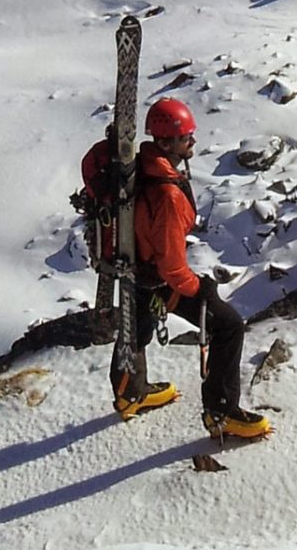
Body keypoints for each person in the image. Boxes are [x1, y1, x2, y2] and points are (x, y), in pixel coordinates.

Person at [109, 97, 270, 438]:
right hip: (156, 275)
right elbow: (169, 263)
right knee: (228, 326)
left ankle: (129, 393)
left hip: (135, 268)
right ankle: (222, 414)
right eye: (186, 137)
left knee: (135, 323)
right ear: (167, 142)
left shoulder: (142, 168)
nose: (192, 141)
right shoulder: (166, 193)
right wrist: (199, 288)